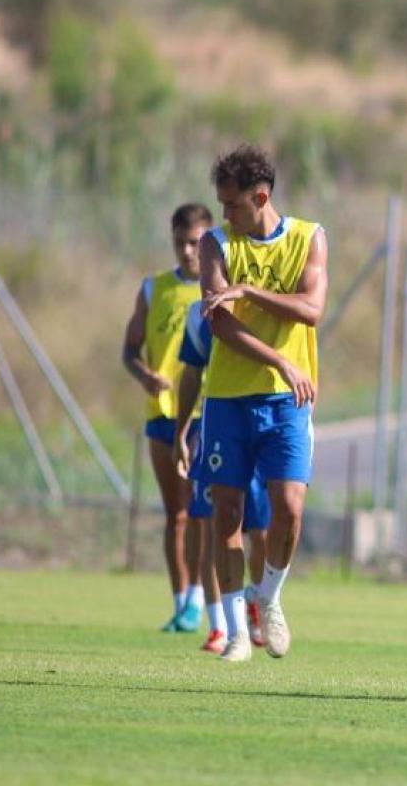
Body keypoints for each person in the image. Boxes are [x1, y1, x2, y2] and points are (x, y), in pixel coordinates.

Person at [199, 145, 327, 662]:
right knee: (226, 514)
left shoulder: (308, 238)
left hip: (288, 399)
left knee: (289, 508)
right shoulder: (215, 244)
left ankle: (267, 597)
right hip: (228, 398)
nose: (225, 214)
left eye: (232, 204)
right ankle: (235, 633)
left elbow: (311, 309)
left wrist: (249, 290)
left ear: (260, 197)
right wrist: (279, 359)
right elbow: (219, 321)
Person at [121, 203, 212, 632]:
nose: (187, 251)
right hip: (162, 413)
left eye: (195, 243)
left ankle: (200, 598)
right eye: (180, 243)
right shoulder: (153, 289)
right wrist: (144, 375)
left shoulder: (218, 288)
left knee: (200, 511)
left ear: (209, 241)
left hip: (204, 413)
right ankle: (181, 603)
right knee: (175, 513)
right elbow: (129, 350)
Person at [171, 300, 271, 655]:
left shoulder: (266, 308)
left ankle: (259, 599)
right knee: (214, 526)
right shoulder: (200, 314)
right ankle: (220, 626)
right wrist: (182, 433)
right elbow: (191, 374)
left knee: (260, 534)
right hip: (217, 430)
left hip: (262, 426)